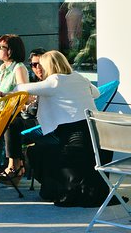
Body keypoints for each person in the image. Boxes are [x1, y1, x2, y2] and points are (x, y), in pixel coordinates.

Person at [16, 50, 110, 207]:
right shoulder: (78, 77)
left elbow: (22, 88)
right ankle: (56, 190)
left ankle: (60, 191)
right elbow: (97, 93)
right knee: (44, 151)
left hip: (75, 137)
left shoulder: (55, 80)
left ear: (48, 66)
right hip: (95, 132)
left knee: (42, 153)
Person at [0, 48, 46, 185]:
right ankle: (16, 166)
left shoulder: (52, 80)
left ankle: (14, 167)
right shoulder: (34, 79)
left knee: (12, 124)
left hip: (46, 124)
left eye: (41, 63)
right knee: (11, 122)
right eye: (34, 65)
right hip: (33, 119)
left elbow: (29, 102)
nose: (38, 68)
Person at [0, 34, 29, 171]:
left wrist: (0, 94)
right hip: (1, 111)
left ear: (11, 50)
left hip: (13, 114)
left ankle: (13, 167)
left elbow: (24, 94)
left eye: (1, 47)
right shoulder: (2, 68)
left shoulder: (18, 68)